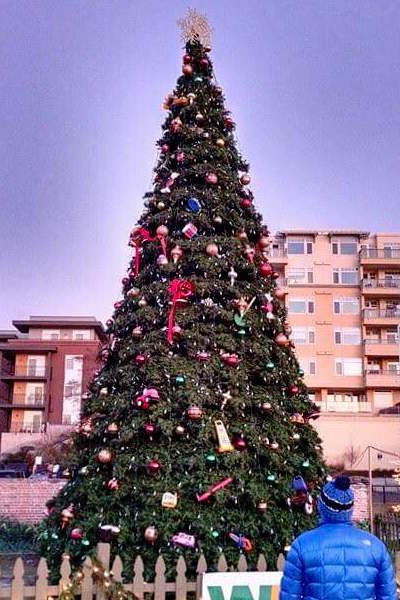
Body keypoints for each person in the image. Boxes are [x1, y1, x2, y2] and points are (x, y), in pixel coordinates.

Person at [280, 475, 397, 600]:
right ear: (350, 509)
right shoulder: (376, 547)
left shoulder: (302, 545)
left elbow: (289, 596)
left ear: (321, 507)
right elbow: (388, 596)